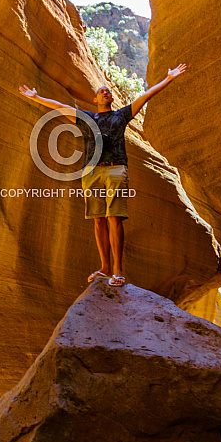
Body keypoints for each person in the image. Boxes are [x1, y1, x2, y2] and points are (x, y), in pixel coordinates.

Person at [19, 63, 186, 286]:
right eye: (101, 91)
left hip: (116, 168)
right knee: (98, 220)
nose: (105, 92)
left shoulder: (121, 115)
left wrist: (169, 78)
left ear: (111, 99)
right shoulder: (87, 118)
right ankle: (105, 268)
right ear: (95, 99)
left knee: (114, 217)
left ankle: (118, 271)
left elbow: (145, 96)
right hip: (91, 172)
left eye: (108, 91)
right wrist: (36, 97)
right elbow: (60, 107)